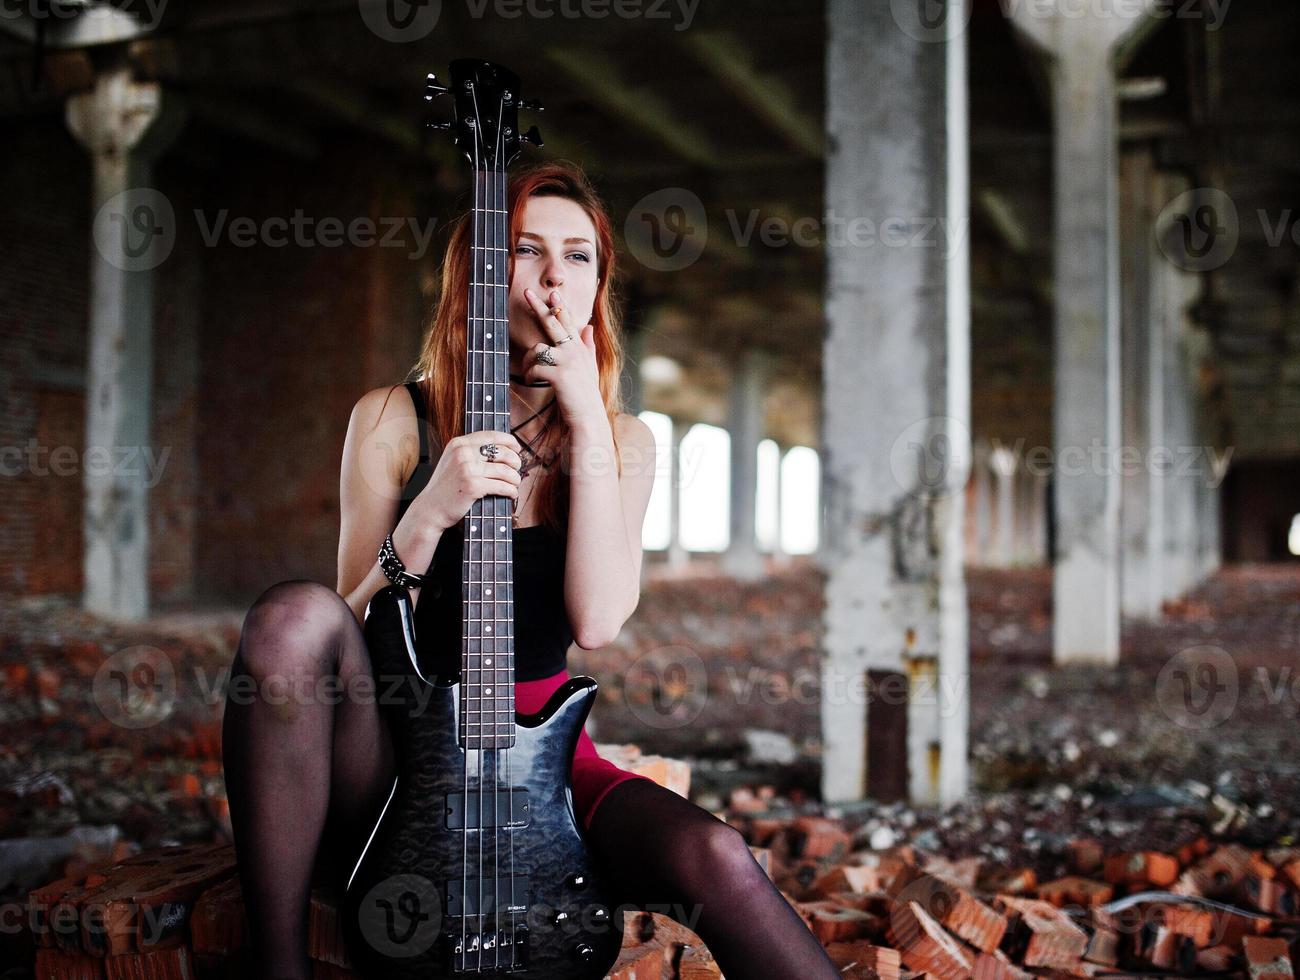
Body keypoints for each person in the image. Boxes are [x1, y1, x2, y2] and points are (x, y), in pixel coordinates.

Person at [220, 160, 843, 980]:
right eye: (524, 250)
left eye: (579, 255)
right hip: (392, 750)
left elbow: (597, 621)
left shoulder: (625, 441)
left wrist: (586, 423)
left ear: (597, 283)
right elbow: (341, 628)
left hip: (537, 751)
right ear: (477, 277)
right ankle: (275, 967)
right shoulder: (390, 417)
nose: (554, 275)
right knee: (293, 615)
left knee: (716, 855)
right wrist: (427, 513)